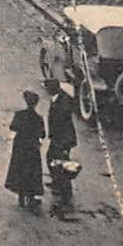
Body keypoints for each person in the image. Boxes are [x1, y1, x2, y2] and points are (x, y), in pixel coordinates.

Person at [6, 89, 46, 210]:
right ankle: (31, 194)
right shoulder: (38, 118)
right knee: (31, 171)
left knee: (19, 168)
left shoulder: (19, 114)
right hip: (32, 147)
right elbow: (42, 134)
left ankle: (21, 195)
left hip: (20, 146)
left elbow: (12, 127)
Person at [45, 79, 78, 213]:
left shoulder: (63, 102)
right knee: (51, 159)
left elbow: (61, 121)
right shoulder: (58, 98)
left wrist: (60, 142)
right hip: (58, 138)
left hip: (62, 139)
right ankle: (57, 184)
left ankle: (66, 197)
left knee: (62, 165)